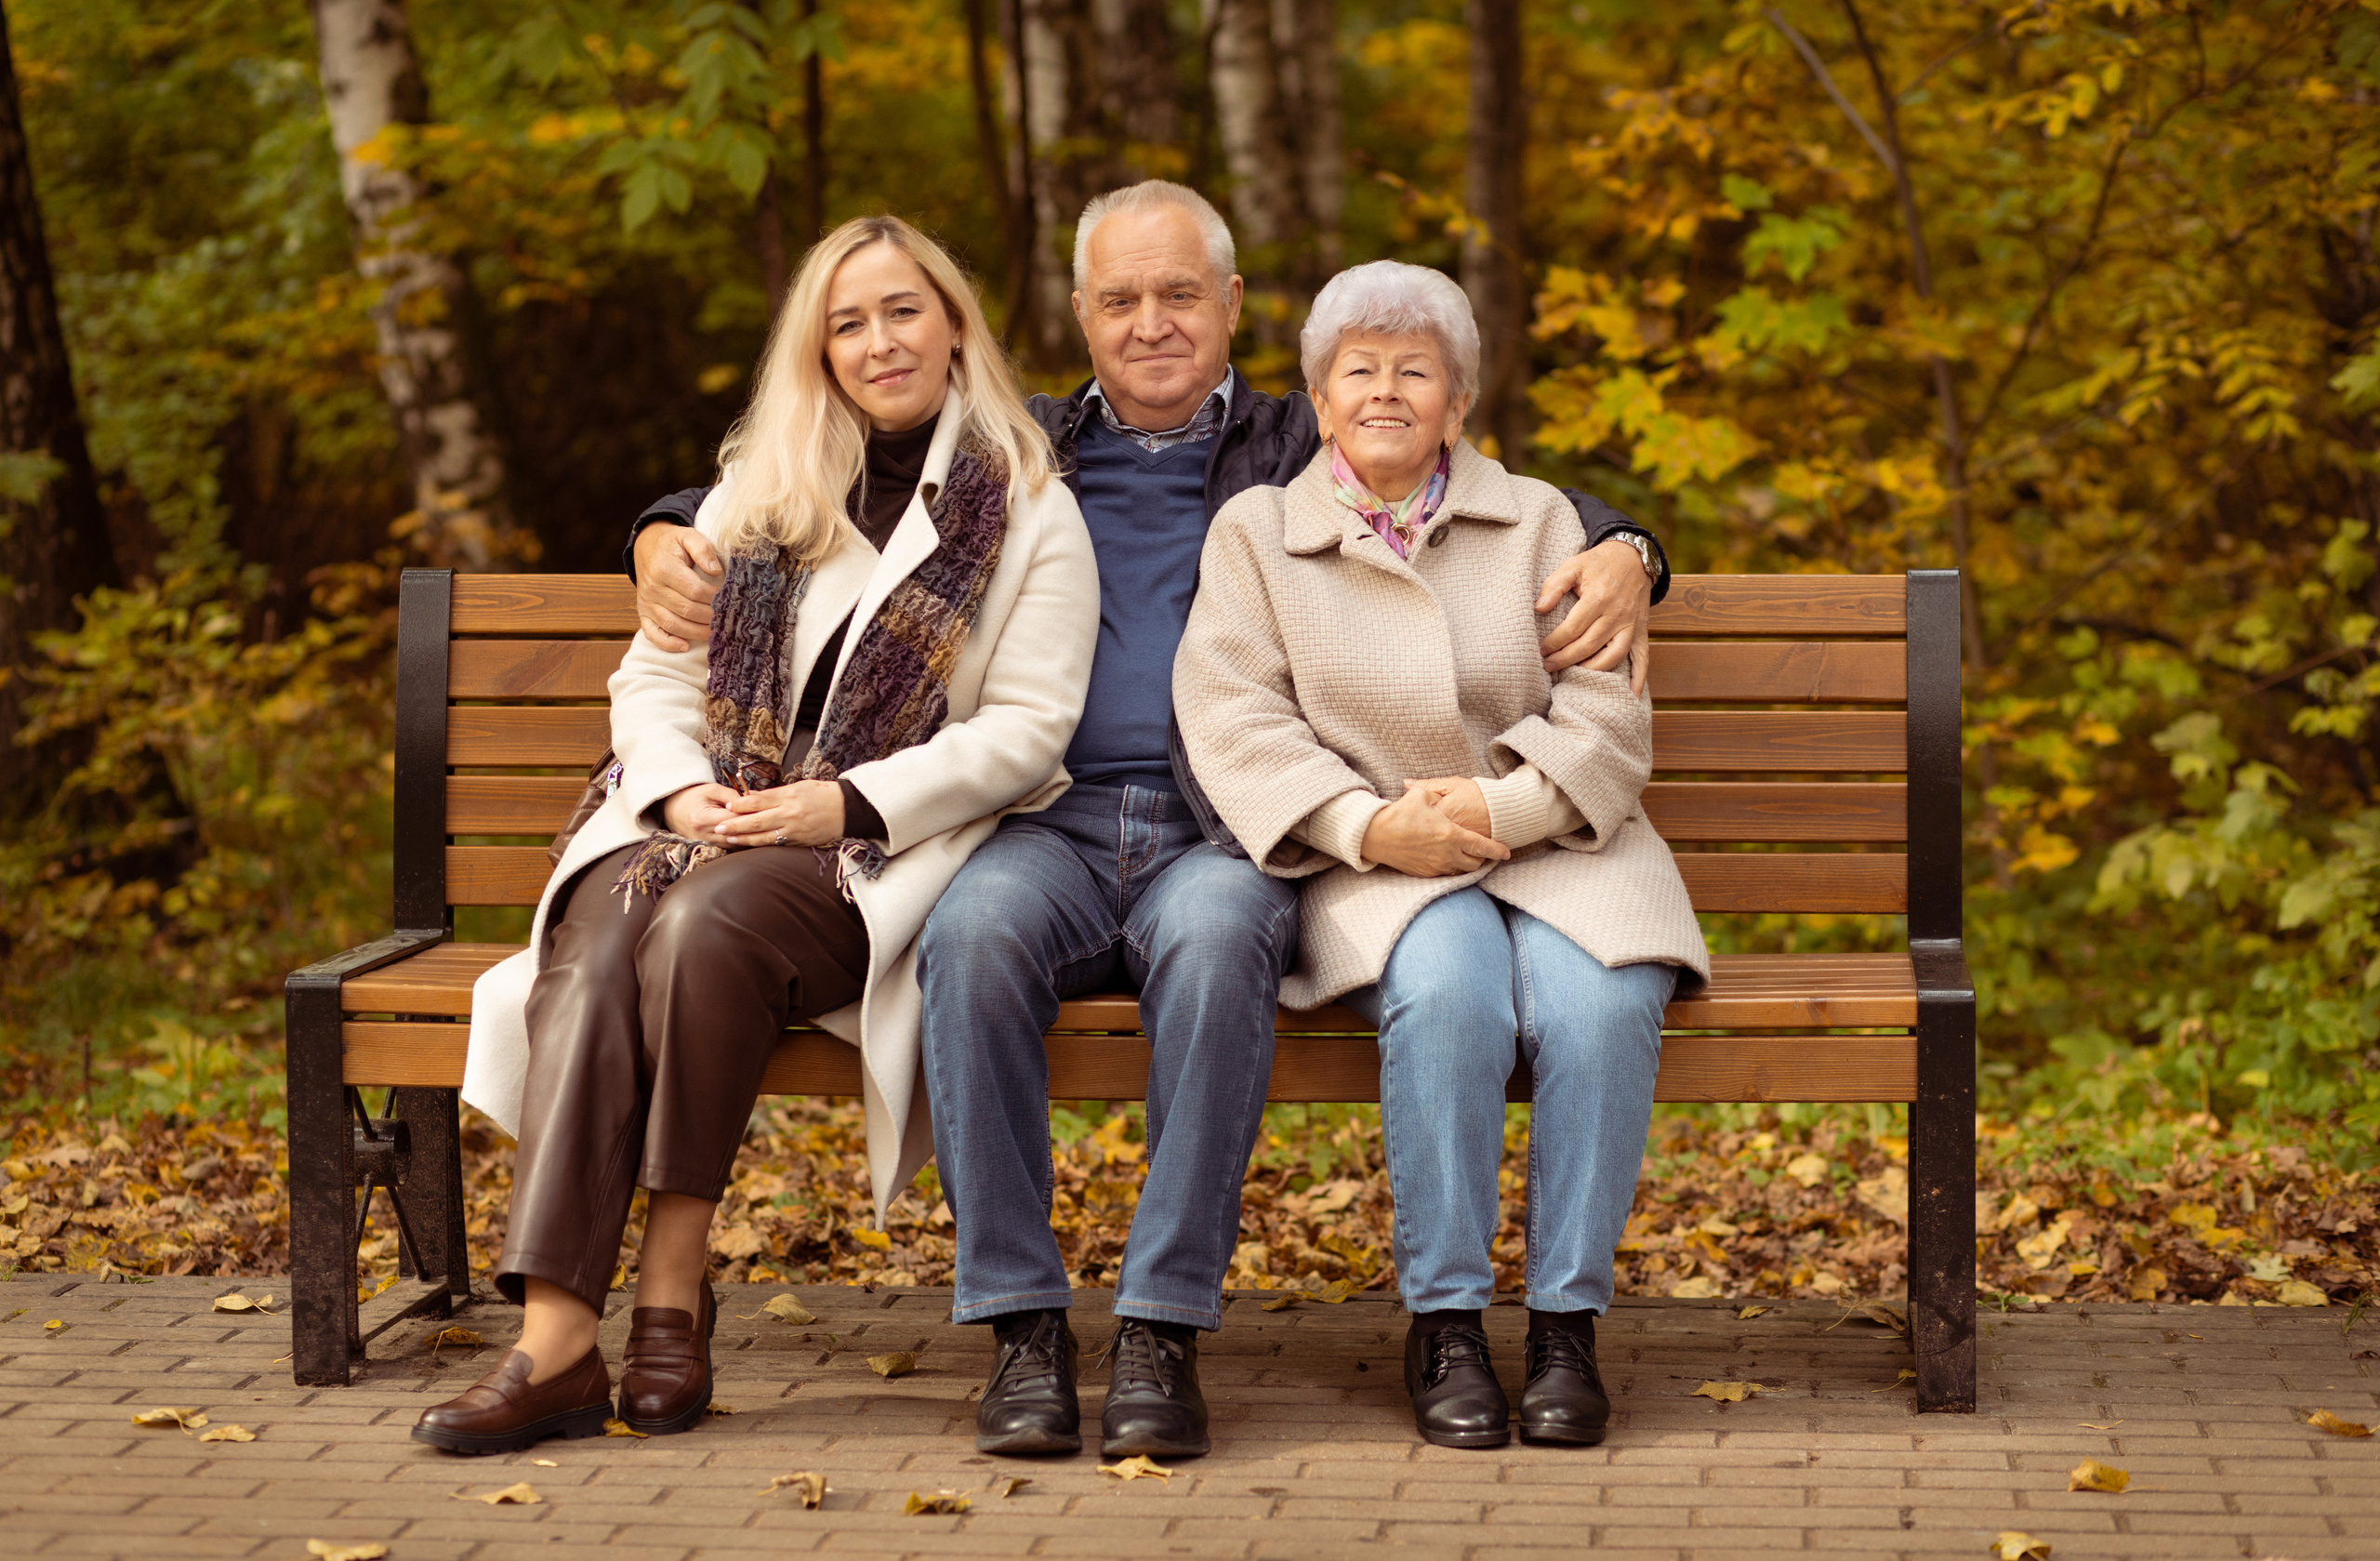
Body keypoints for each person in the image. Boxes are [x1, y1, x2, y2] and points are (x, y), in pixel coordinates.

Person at [622, 181, 1673, 1463]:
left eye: (1182, 294)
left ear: (1232, 306)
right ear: (1080, 314)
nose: (1152, 323)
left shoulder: (1302, 439)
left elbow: (1458, 472)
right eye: (1120, 299)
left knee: (1221, 946)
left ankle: (1162, 1328)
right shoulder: (1021, 448)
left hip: (1227, 827)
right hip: (1042, 814)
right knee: (971, 943)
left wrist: (1630, 547)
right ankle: (1019, 1325)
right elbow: (827, 459)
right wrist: (664, 521)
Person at [416, 215, 1098, 1456]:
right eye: (847, 321)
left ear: (953, 323)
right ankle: (560, 1336)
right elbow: (653, 684)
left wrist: (836, 802)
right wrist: (682, 797)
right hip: (704, 816)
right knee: (607, 918)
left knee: (704, 919)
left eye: (903, 310)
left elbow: (1032, 732)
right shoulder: (761, 485)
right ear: (819, 350)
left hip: (871, 850)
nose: (879, 340)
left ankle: (672, 1277)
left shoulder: (1030, 500)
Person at [1173, 260, 1710, 1451]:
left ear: (1457, 405)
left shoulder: (1544, 524)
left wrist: (1498, 806)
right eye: (1356, 370)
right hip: (1374, 858)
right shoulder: (1259, 533)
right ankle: (1449, 1321)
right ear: (1316, 401)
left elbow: (1608, 722)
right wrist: (1365, 827)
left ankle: (1567, 1325)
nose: (1384, 391)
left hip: (1560, 841)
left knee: (1605, 1001)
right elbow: (1234, 717)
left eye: (1415, 372)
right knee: (1452, 993)